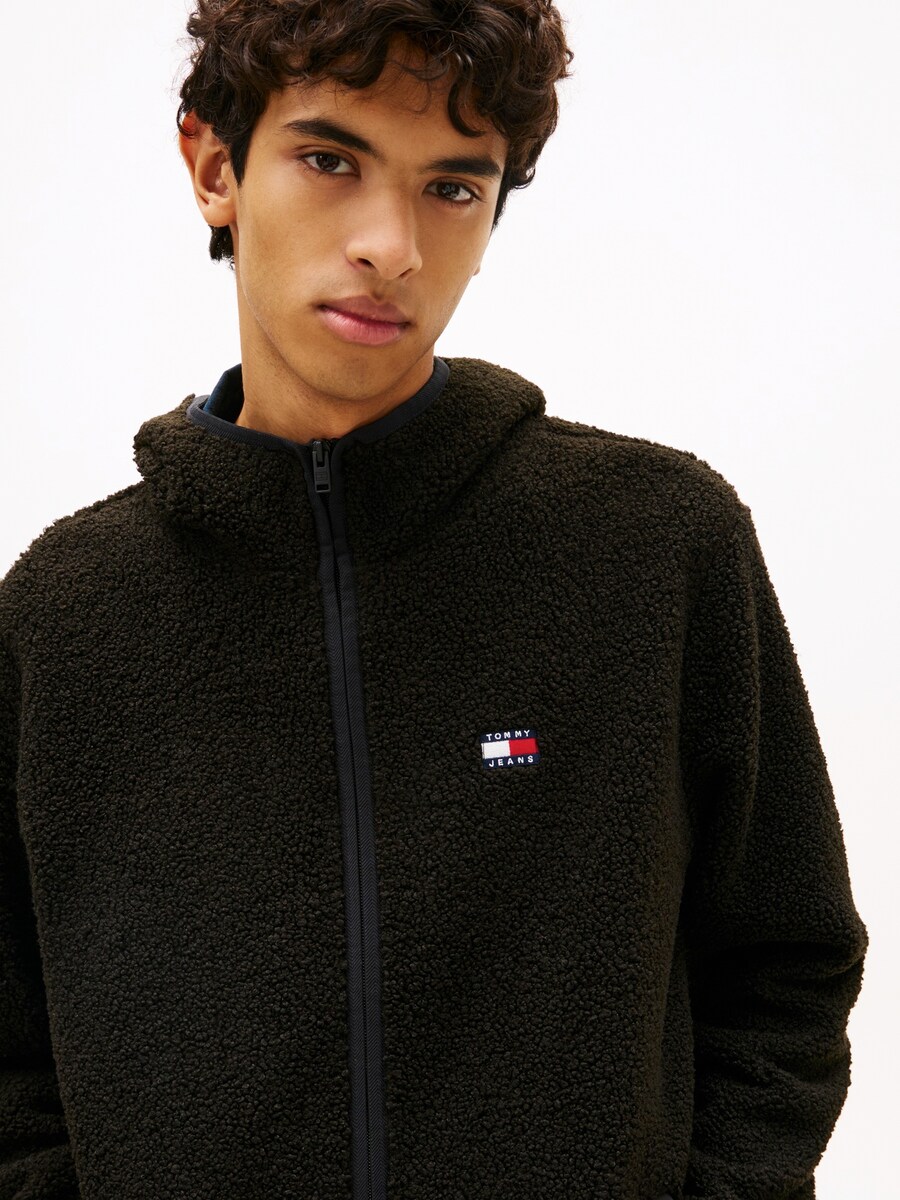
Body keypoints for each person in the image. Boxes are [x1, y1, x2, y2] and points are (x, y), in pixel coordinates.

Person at [0, 2, 867, 1198]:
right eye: (329, 160)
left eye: (453, 187)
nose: (391, 245)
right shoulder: (65, 618)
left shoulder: (656, 547)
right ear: (213, 167)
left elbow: (787, 962)